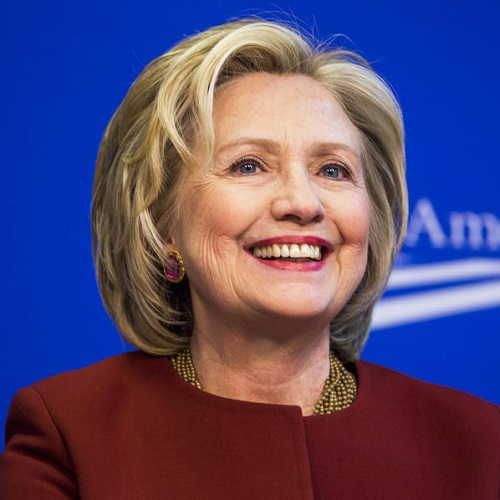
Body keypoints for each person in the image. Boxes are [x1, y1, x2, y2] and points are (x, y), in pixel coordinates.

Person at [0, 18, 498, 499]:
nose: (303, 203)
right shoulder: (68, 432)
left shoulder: (480, 443)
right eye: (248, 165)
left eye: (333, 169)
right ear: (162, 223)